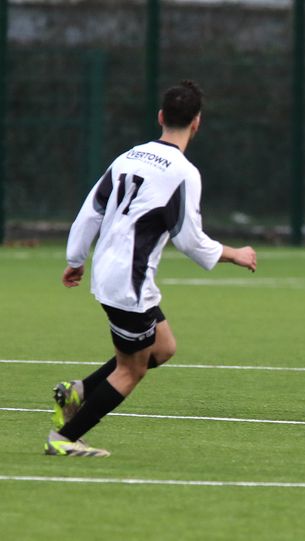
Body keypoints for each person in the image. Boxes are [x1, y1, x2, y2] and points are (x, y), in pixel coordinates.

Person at [45, 80, 257, 457]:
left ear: (160, 117)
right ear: (197, 123)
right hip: (130, 282)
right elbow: (190, 240)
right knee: (132, 370)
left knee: (163, 347)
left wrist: (75, 259)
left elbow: (89, 212)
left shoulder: (129, 156)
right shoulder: (183, 172)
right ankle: (66, 437)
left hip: (110, 274)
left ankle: (77, 391)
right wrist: (234, 253)